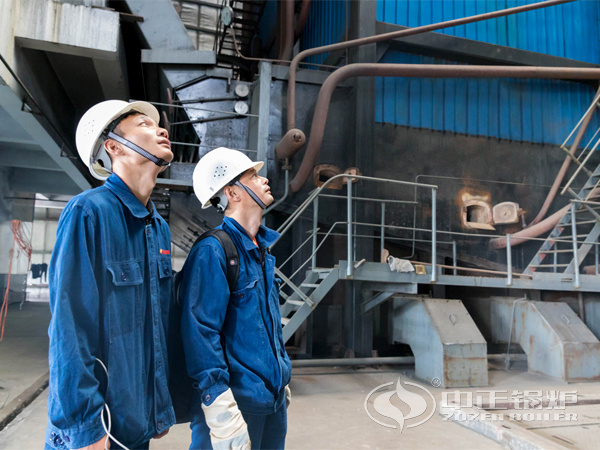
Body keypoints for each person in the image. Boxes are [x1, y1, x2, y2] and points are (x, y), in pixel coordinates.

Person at [45, 100, 175, 450]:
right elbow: (69, 329)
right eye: (145, 126)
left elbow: (157, 328)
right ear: (114, 147)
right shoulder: (88, 212)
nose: (161, 129)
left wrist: (157, 406)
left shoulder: (158, 227)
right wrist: (86, 426)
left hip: (135, 423)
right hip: (96, 428)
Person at [181, 147, 292, 450]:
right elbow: (200, 334)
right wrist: (219, 408)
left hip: (271, 399)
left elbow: (265, 326)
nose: (264, 179)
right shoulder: (214, 251)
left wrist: (279, 375)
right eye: (253, 176)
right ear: (233, 192)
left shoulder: (261, 251)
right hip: (235, 404)